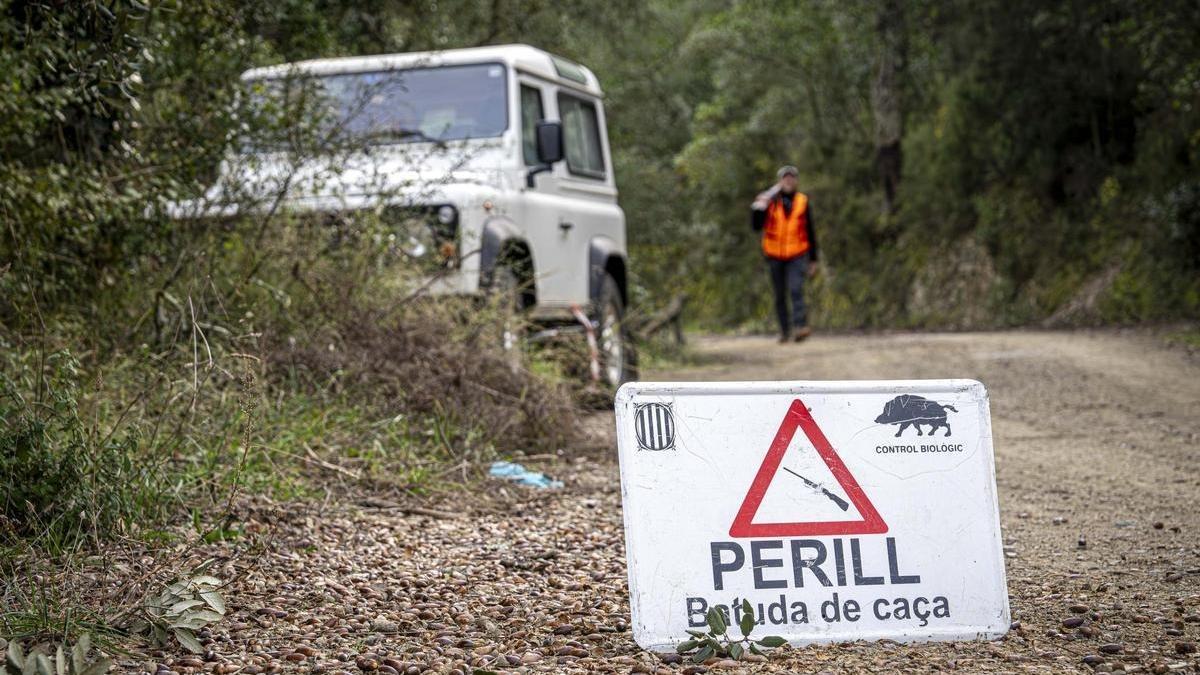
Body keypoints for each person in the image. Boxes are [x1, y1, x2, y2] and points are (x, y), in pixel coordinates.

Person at [751, 165, 819, 343]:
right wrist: (759, 208)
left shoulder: (802, 201)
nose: (788, 180)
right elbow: (756, 226)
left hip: (797, 253)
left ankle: (800, 327)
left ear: (796, 181)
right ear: (780, 181)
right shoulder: (769, 201)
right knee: (779, 294)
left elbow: (810, 231)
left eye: (792, 178)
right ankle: (784, 331)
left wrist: (813, 259)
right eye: (785, 178)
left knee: (796, 289)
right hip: (774, 254)